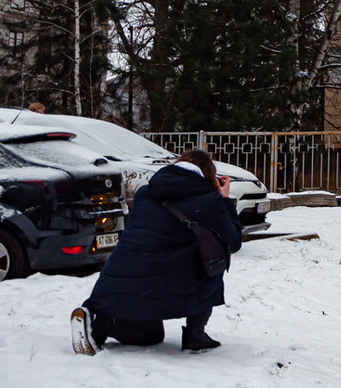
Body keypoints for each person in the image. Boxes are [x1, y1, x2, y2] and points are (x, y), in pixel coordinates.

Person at [71, 149, 243, 354]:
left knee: (152, 336)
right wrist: (224, 199)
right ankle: (195, 336)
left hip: (119, 278)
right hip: (161, 280)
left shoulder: (145, 193)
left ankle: (99, 324)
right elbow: (233, 241)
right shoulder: (207, 200)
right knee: (214, 259)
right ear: (207, 174)